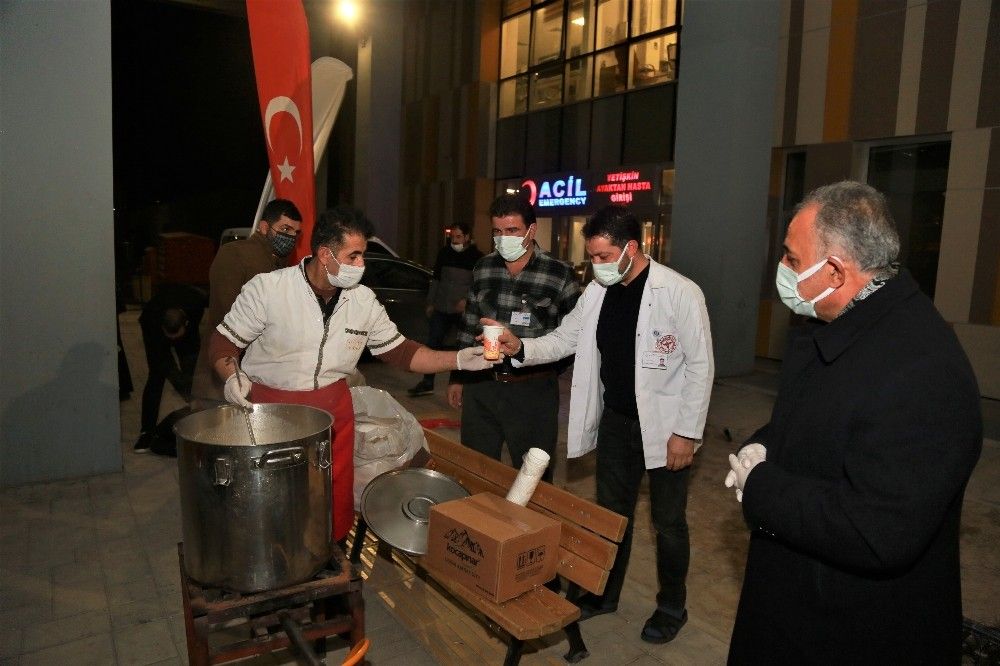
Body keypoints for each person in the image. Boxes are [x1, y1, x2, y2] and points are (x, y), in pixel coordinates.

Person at [723, 181, 982, 664]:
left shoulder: (922, 370)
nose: (782, 269)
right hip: (801, 602)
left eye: (792, 259)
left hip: (854, 630)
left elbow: (877, 529)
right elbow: (817, 421)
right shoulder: (843, 324)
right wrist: (766, 443)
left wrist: (762, 487)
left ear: (836, 271)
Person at [492, 204, 714, 644]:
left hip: (666, 428)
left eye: (604, 256)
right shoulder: (597, 292)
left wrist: (686, 433)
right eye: (592, 256)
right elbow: (565, 339)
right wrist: (522, 347)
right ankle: (604, 594)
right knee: (612, 517)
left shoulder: (679, 292)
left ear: (632, 248)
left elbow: (700, 366)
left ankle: (672, 606)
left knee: (668, 522)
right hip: (616, 422)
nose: (596, 265)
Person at [209, 205, 496, 542]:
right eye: (353, 256)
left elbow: (402, 352)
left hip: (333, 413)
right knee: (275, 500)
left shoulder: (362, 302)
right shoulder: (269, 290)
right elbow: (223, 343)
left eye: (363, 255)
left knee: (331, 497)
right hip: (272, 411)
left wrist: (458, 360)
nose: (361, 265)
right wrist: (232, 377)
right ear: (325, 255)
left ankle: (330, 550)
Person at [447, 193, 580, 479]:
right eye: (497, 231)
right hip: (482, 385)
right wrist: (457, 377)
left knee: (533, 478)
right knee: (475, 471)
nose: (503, 238)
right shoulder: (484, 267)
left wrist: (545, 373)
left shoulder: (559, 274)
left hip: (533, 393)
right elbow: (469, 323)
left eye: (512, 230)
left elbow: (572, 335)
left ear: (531, 230)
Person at [190, 198, 303, 405]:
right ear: (264, 227)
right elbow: (227, 315)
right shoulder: (235, 253)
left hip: (259, 377)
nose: (291, 237)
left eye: (296, 232)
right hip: (222, 374)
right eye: (285, 229)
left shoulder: (280, 264)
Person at [408, 221, 484, 396]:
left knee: (462, 347)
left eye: (458, 237)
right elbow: (436, 280)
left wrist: (467, 302)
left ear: (467, 237)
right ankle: (427, 382)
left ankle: (459, 383)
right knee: (433, 344)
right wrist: (431, 302)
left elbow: (479, 286)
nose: (455, 241)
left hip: (463, 312)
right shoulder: (444, 253)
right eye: (452, 237)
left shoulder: (477, 257)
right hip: (442, 308)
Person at [134, 283, 206, 453]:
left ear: (185, 323)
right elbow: (165, 364)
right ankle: (147, 432)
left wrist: (194, 392)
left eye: (176, 335)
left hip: (188, 327)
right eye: (170, 337)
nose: (173, 341)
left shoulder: (196, 304)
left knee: (191, 365)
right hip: (156, 330)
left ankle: (198, 418)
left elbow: (192, 351)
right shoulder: (150, 319)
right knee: (156, 375)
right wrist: (187, 394)